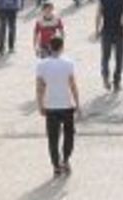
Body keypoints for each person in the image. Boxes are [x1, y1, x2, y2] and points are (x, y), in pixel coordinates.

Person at [36, 36, 80, 177]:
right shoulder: (68, 63)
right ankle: (66, 160)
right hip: (66, 104)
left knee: (53, 138)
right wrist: (77, 103)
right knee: (69, 135)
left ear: (49, 47)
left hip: (50, 105)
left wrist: (40, 104)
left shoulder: (41, 65)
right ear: (62, 47)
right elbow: (73, 85)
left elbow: (39, 87)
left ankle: (56, 166)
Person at [96, 0, 123, 92]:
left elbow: (98, 15)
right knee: (119, 58)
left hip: (106, 31)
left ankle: (105, 77)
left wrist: (97, 30)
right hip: (119, 32)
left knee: (105, 57)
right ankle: (117, 82)